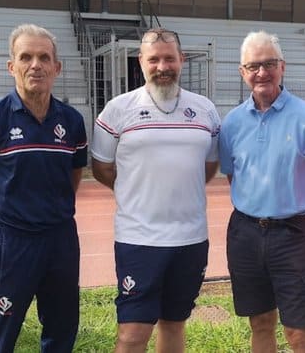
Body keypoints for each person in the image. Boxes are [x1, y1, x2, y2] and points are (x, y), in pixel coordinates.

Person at [90, 28, 221, 353]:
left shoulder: (205, 110)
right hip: (139, 240)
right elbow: (102, 168)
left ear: (182, 60)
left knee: (174, 325)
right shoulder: (117, 110)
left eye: (169, 58)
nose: (162, 66)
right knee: (132, 335)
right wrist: (136, 190)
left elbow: (207, 166)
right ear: (141, 62)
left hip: (190, 240)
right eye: (154, 59)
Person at [0, 24, 88, 352]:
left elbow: (72, 178)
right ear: (12, 66)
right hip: (11, 243)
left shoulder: (72, 121)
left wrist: (51, 214)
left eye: (44, 57)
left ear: (56, 68)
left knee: (62, 330)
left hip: (60, 241)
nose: (36, 65)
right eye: (26, 57)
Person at [218, 30, 305, 353]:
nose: (262, 72)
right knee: (259, 324)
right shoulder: (231, 124)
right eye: (253, 66)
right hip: (245, 234)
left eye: (269, 63)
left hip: (295, 236)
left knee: (299, 333)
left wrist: (300, 211)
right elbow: (235, 178)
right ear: (242, 72)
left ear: (282, 66)